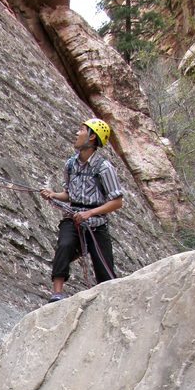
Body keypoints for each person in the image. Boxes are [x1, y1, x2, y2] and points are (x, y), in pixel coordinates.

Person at [40, 118, 123, 303]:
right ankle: (57, 293)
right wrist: (53, 194)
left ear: (92, 137)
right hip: (73, 218)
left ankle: (107, 301)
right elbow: (69, 194)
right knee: (65, 245)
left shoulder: (104, 168)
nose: (77, 133)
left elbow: (117, 201)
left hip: (96, 222)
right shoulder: (70, 165)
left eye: (81, 130)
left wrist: (90, 213)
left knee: (105, 270)